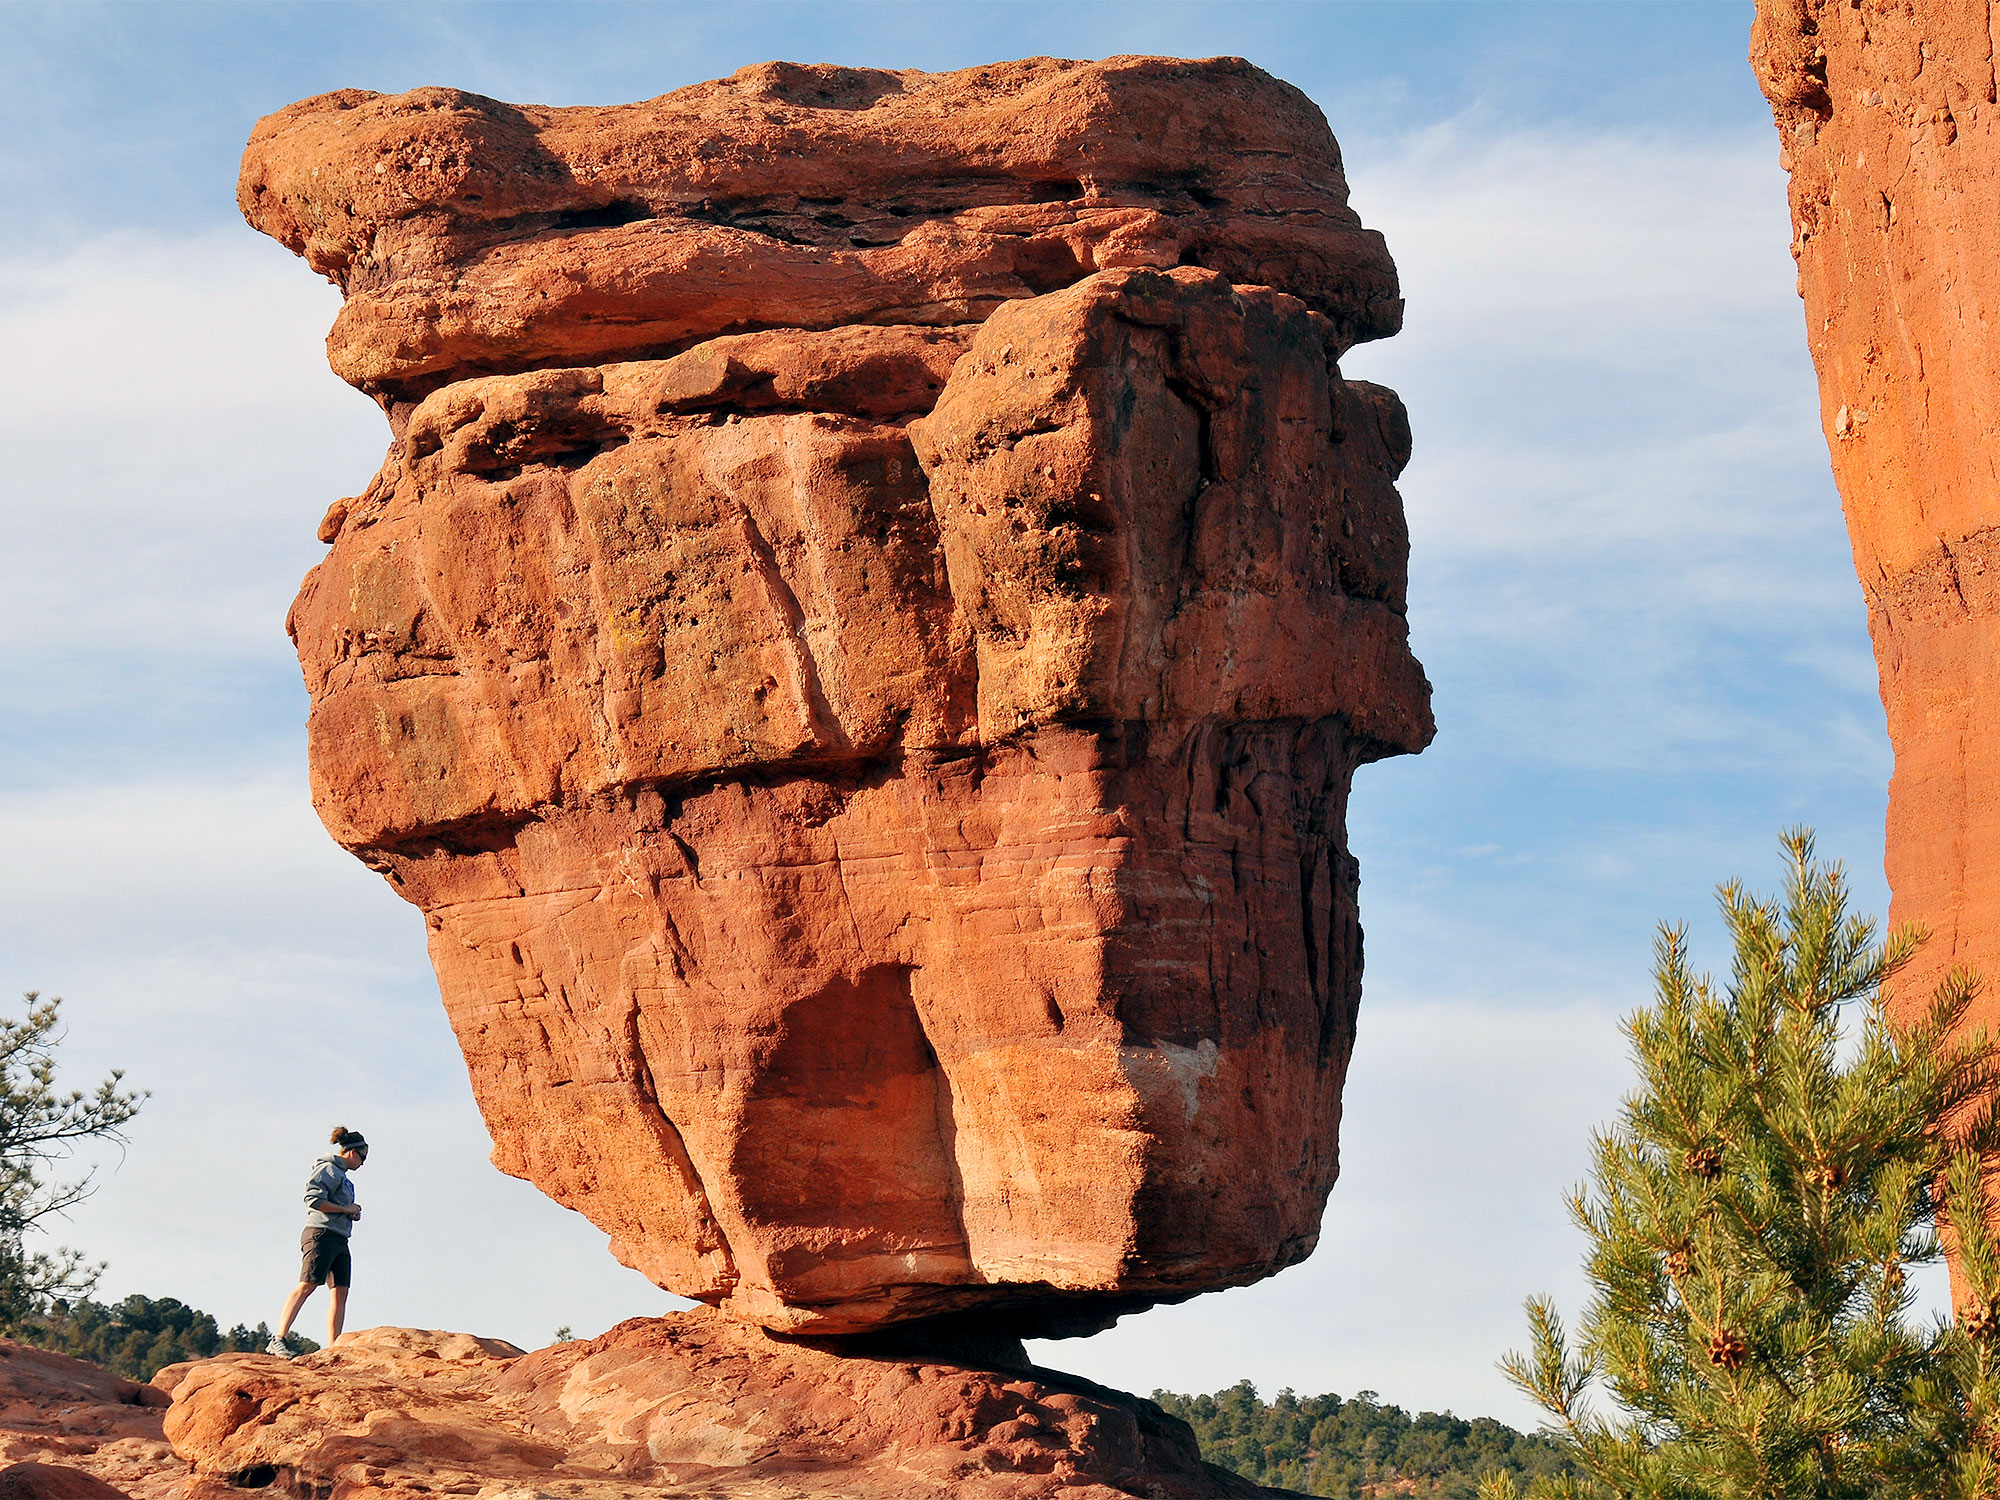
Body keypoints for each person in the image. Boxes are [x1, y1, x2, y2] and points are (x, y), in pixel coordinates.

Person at [267, 1126, 367, 1357]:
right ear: (351, 1152)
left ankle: (334, 1348)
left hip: (340, 1238)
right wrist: (344, 1208)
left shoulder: (344, 1177)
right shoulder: (328, 1169)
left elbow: (335, 1205)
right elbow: (312, 1199)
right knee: (307, 1285)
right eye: (362, 1157)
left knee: (341, 1292)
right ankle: (279, 1338)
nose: (363, 1163)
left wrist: (350, 1213)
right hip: (320, 1233)